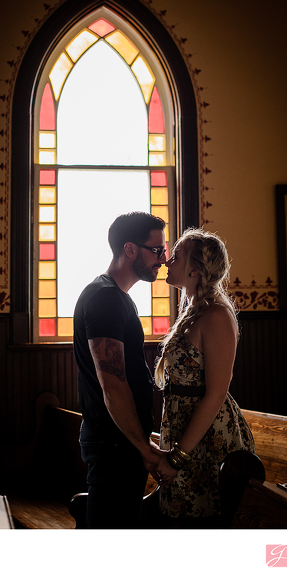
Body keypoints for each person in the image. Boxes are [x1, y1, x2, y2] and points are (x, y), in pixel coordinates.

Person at [153, 227, 255, 527]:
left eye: (176, 256)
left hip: (206, 440)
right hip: (184, 429)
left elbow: (216, 393)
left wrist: (178, 457)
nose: (167, 262)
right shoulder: (194, 311)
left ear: (195, 269)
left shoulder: (217, 315)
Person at [73, 211, 169, 528]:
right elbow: (112, 385)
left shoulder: (118, 297)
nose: (163, 258)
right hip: (113, 445)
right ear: (130, 249)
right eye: (156, 250)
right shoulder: (105, 299)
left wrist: (142, 441)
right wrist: (143, 447)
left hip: (121, 441)